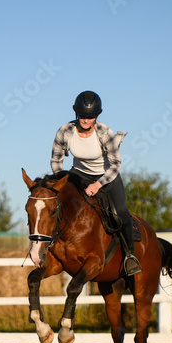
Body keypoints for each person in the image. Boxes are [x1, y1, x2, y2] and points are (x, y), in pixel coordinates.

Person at [50, 90, 142, 276]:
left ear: (96, 116)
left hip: (106, 175)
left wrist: (98, 185)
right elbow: (56, 161)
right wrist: (62, 181)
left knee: (121, 213)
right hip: (78, 173)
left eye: (90, 117)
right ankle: (47, 246)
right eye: (83, 115)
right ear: (76, 113)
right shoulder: (65, 131)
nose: (86, 120)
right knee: (56, 203)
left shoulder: (104, 132)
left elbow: (116, 165)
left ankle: (129, 257)